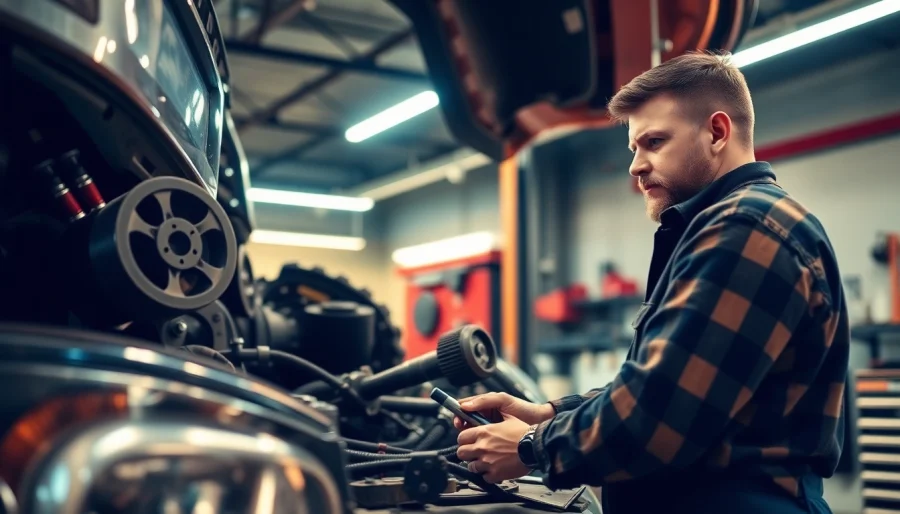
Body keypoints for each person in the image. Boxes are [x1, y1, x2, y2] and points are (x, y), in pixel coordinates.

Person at [453, 51, 849, 514]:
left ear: (717, 132)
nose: (635, 166)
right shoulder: (720, 227)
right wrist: (549, 415)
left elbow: (661, 414)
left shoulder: (748, 225)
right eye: (633, 148)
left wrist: (531, 446)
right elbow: (661, 381)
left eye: (654, 142)